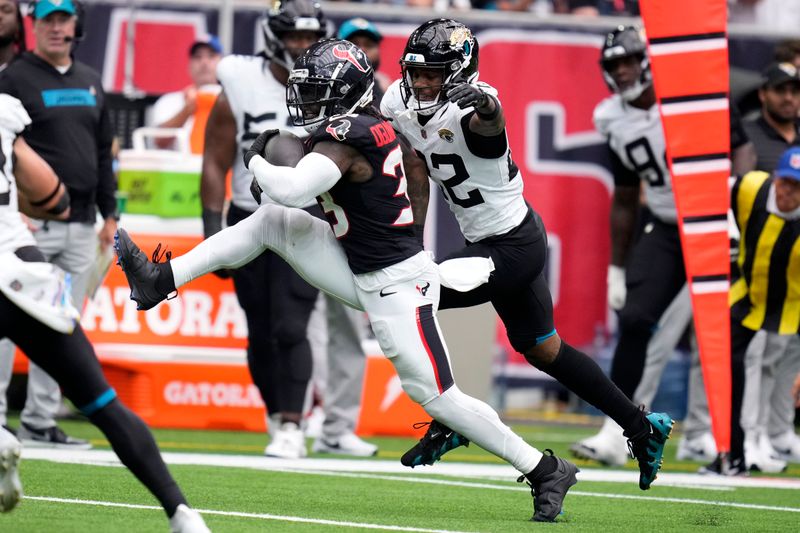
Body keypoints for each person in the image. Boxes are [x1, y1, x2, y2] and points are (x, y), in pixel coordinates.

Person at [115, 38, 579, 522]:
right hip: (358, 265)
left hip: (398, 286)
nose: (307, 102)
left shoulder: (349, 133)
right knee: (269, 223)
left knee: (437, 396)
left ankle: (545, 469)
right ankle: (159, 278)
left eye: (317, 91)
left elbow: (293, 189)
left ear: (346, 93)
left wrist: (254, 157)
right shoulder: (357, 126)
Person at [376, 19, 672, 491]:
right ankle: (640, 427)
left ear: (460, 73)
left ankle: (451, 414)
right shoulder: (399, 101)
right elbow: (414, 161)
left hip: (512, 246)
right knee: (543, 349)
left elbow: (489, 123)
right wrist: (412, 234)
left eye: (434, 74)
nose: (422, 82)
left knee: (412, 296)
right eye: (416, 72)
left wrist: (489, 107)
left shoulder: (475, 106)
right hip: (494, 238)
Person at [0, 93, 209, 531]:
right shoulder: (4, 109)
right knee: (103, 403)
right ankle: (181, 512)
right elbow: (52, 196)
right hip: (25, 268)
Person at [201, 0, 375, 458]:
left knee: (290, 325)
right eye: (293, 36)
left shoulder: (338, 83)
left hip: (306, 218)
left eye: (307, 36)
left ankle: (294, 425)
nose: (300, 45)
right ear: (272, 35)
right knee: (259, 329)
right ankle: (279, 414)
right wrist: (210, 228)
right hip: (248, 217)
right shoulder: (240, 80)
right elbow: (215, 157)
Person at [0, 0, 118, 449]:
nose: (54, 27)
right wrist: (14, 208)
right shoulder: (13, 77)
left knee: (62, 325)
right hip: (26, 225)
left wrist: (111, 213)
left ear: (75, 25)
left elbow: (103, 151)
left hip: (82, 225)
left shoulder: (90, 80)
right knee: (7, 325)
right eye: (46, 18)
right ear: (33, 25)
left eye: (62, 18)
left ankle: (39, 422)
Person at [701, 146, 800, 475]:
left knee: (777, 372)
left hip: (793, 305)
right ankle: (734, 453)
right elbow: (707, 191)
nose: (790, 192)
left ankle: (766, 440)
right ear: (775, 179)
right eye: (787, 183)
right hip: (747, 296)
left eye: (799, 186)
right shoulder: (749, 188)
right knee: (729, 366)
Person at [149, 34, 222, 151]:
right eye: (197, 57)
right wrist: (186, 111)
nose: (204, 62)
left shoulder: (233, 101)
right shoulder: (169, 101)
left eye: (211, 56)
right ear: (189, 66)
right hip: (181, 168)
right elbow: (159, 141)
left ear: (222, 63)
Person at [337, 18, 391, 99]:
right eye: (354, 44)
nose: (362, 50)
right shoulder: (325, 88)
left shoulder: (386, 91)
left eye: (369, 44)